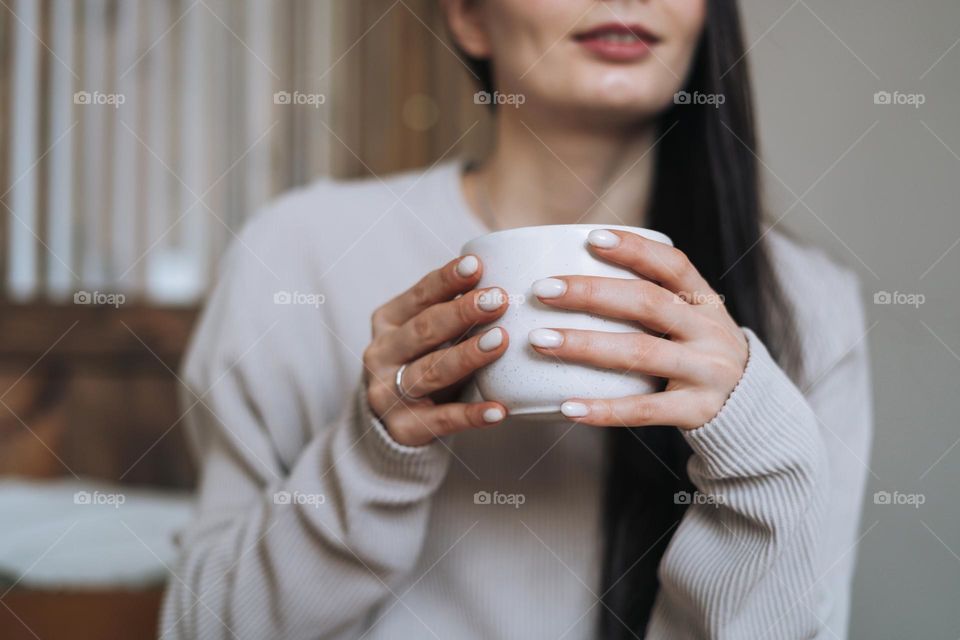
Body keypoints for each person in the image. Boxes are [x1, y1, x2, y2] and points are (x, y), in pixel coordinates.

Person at [160, 1, 872, 638]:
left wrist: (754, 452)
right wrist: (372, 454)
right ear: (468, 15)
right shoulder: (298, 252)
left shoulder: (807, 303)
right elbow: (202, 627)